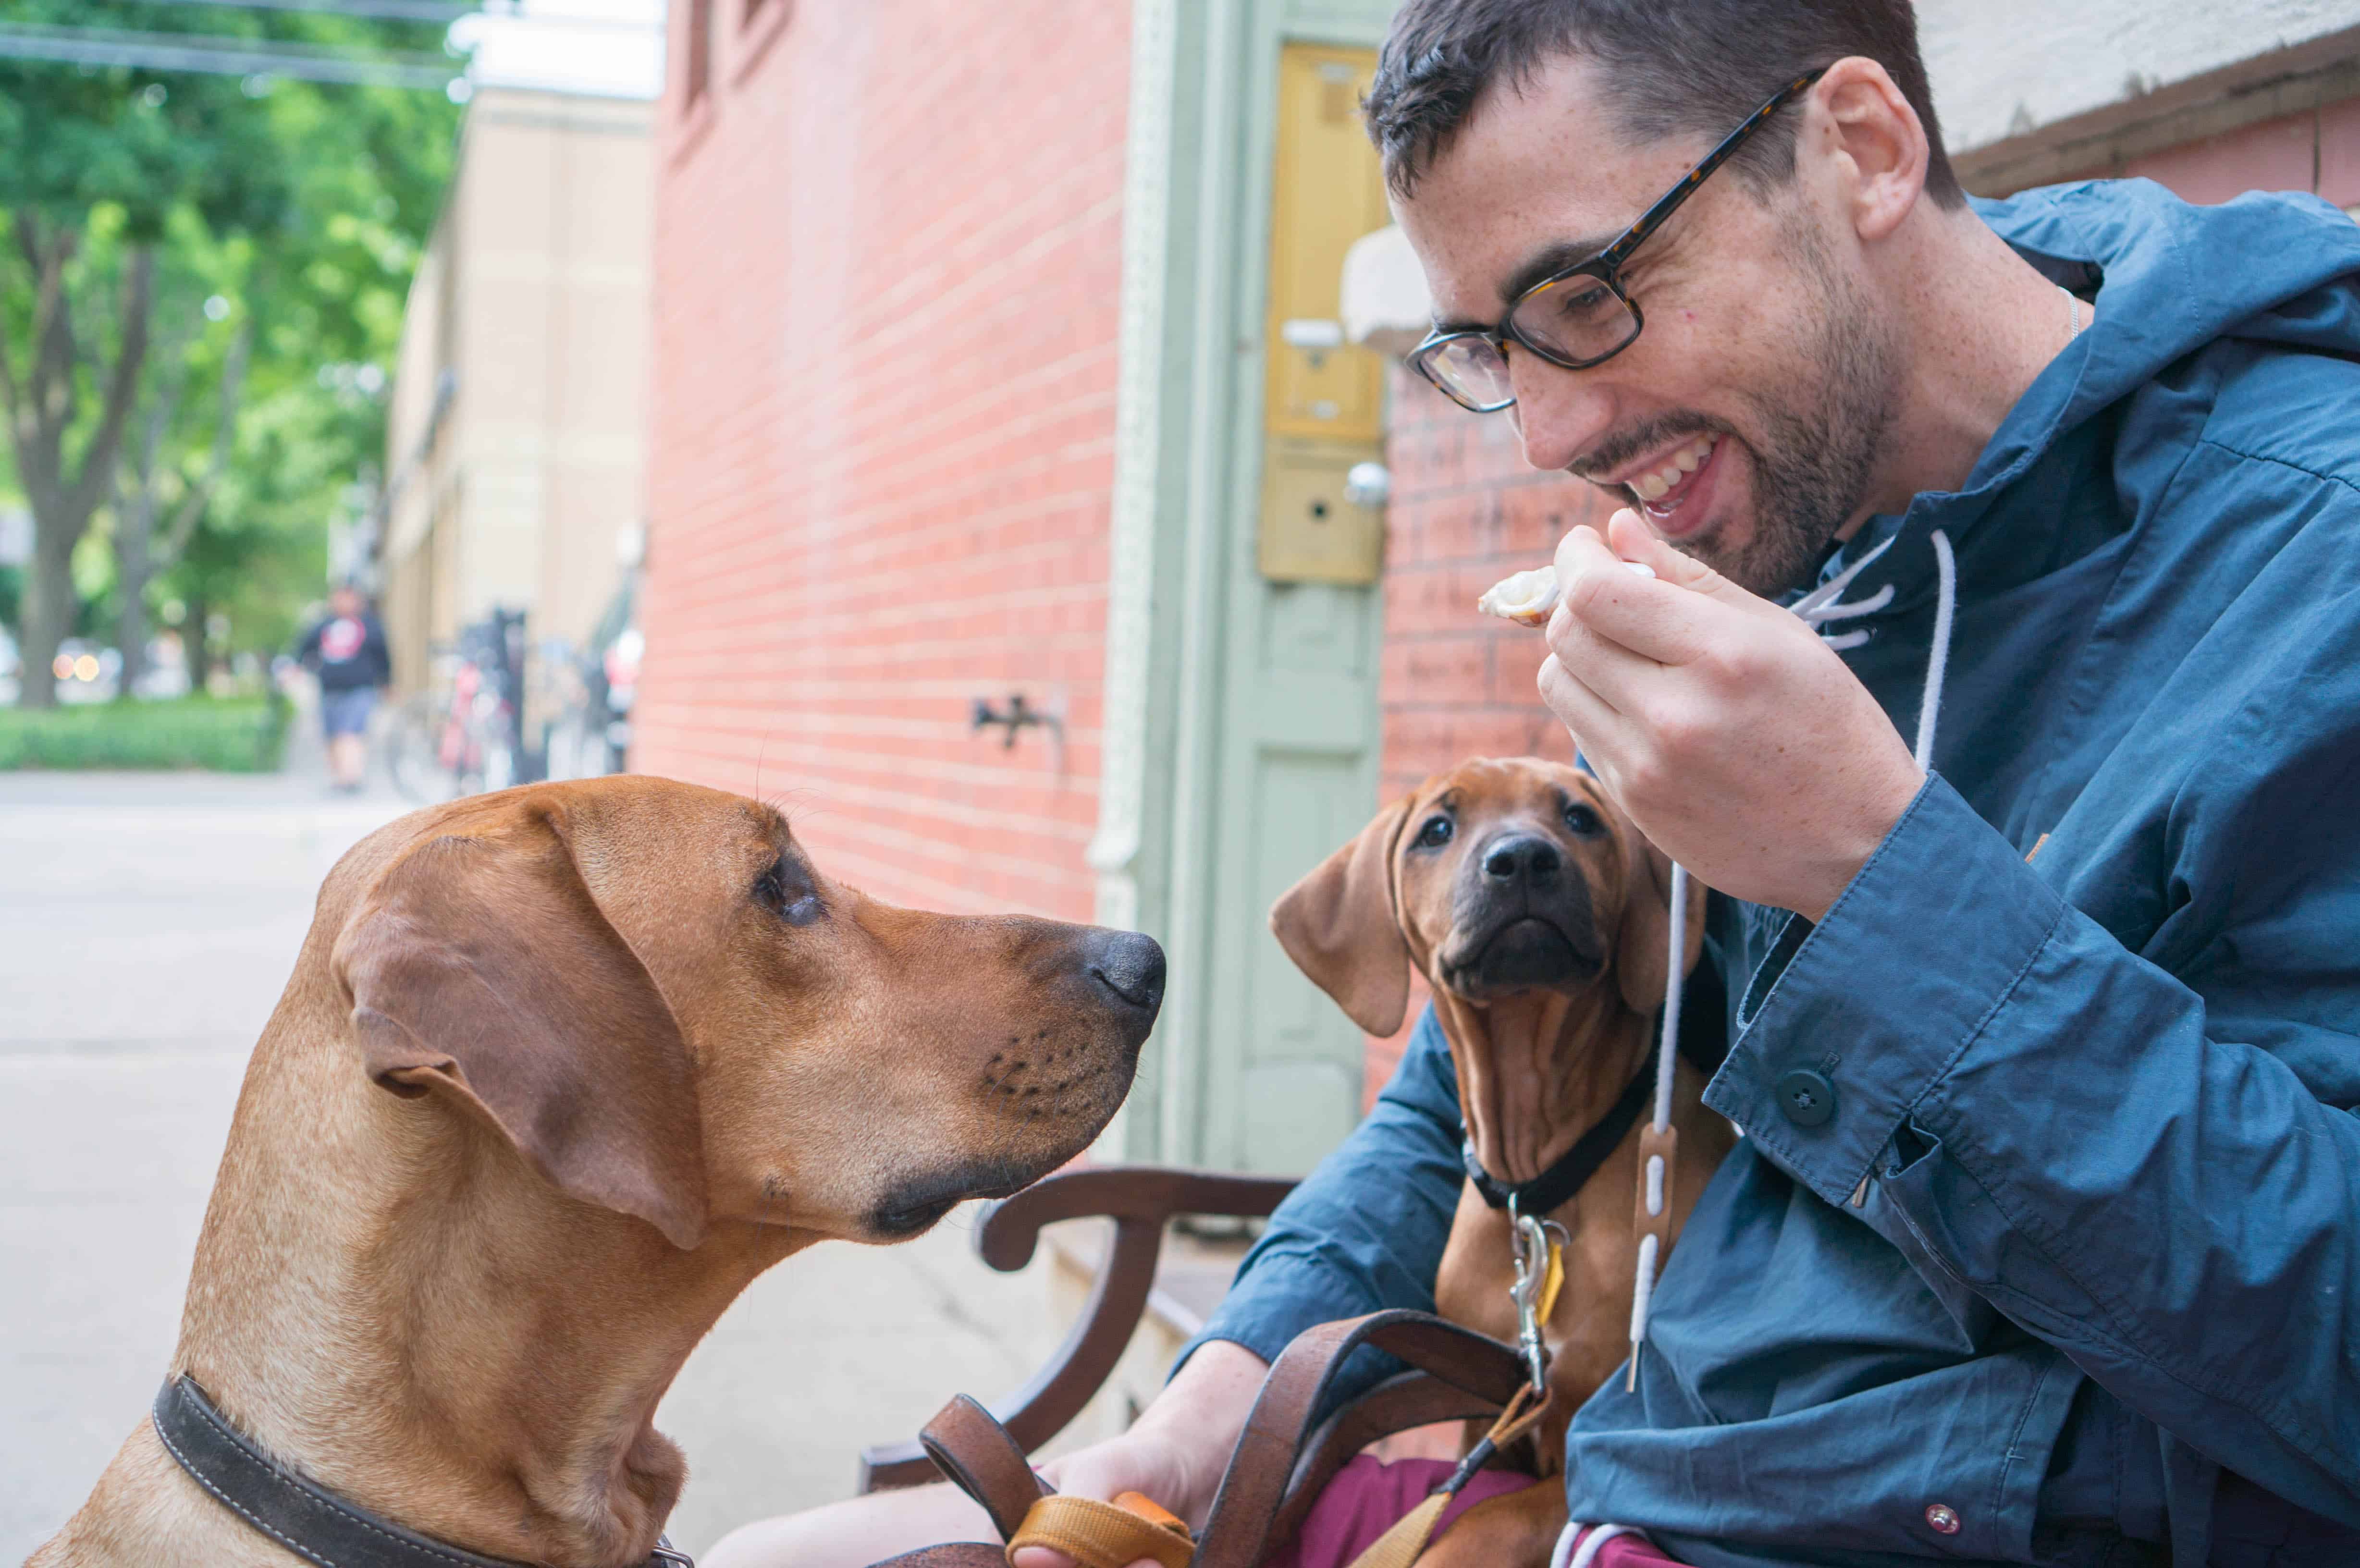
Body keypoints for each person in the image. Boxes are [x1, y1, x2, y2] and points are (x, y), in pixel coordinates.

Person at [710, 2, 2360, 1565]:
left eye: (1590, 298)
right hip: (1589, 1479)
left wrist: (1873, 870)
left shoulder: (2312, 564)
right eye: (1494, 347)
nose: (1550, 432)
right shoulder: (1765, 528)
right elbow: (1470, 1091)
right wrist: (1195, 1420)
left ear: (1858, 148)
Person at [295, 582, 392, 794]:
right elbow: (303, 648)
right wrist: (299, 667)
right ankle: (339, 776)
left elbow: (383, 656)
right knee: (332, 735)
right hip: (330, 688)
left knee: (351, 732)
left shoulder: (370, 625)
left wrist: (386, 682)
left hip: (361, 688)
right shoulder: (323, 625)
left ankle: (351, 778)